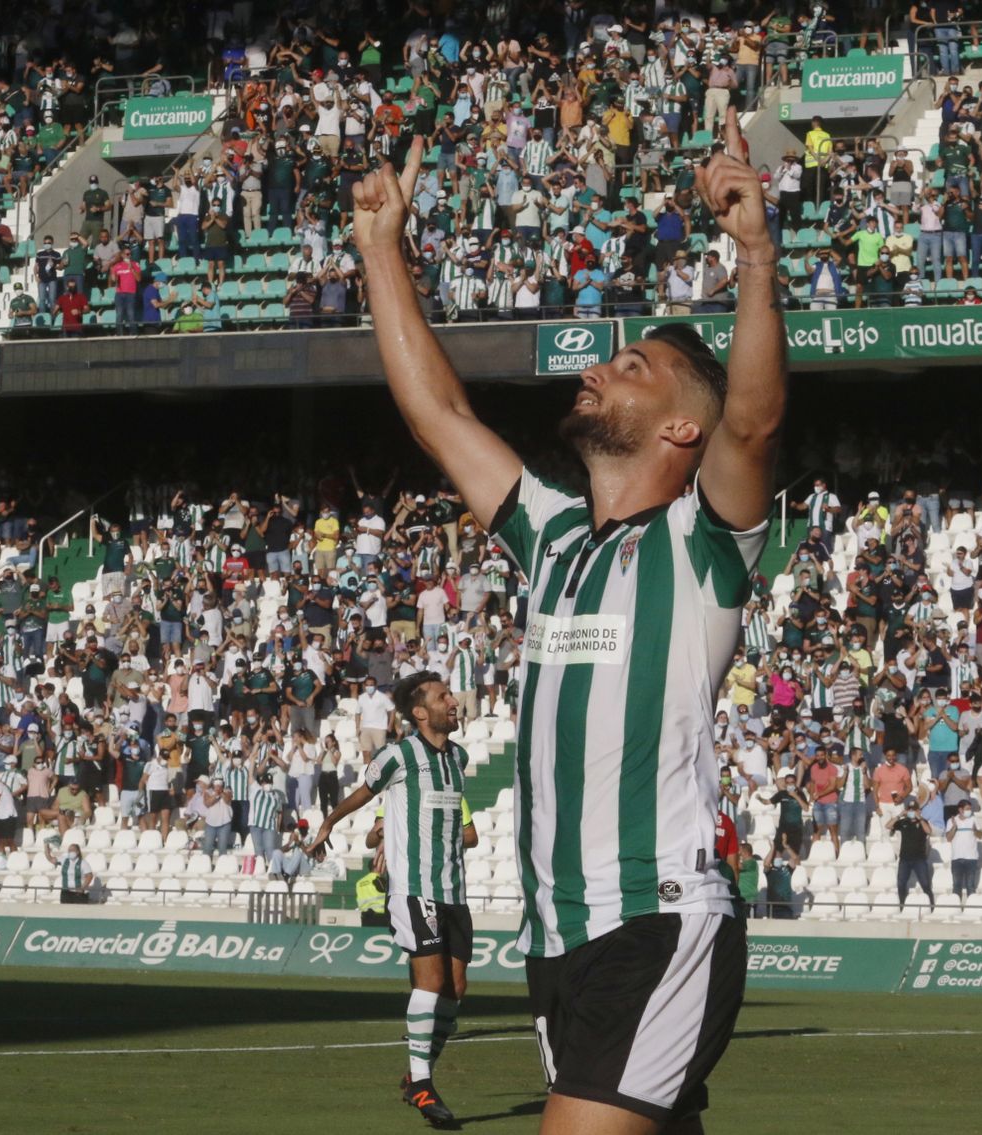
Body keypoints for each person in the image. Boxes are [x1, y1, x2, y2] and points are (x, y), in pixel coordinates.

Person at [353, 107, 785, 1134]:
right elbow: (439, 418)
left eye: (631, 368)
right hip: (557, 942)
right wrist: (380, 250)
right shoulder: (551, 535)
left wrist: (755, 259)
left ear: (682, 426)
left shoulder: (699, 543)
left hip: (654, 918)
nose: (597, 367)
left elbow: (755, 420)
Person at [308, 670, 475, 1126]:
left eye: (451, 694)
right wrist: (329, 823)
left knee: (456, 990)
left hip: (454, 889)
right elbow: (363, 794)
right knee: (430, 982)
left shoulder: (458, 757)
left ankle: (416, 1076)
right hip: (414, 887)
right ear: (419, 712)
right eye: (443, 697)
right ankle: (422, 1084)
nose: (453, 702)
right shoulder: (399, 756)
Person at [891, 795, 935, 911]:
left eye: (914, 810)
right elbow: (888, 826)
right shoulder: (903, 822)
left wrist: (919, 818)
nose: (912, 812)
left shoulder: (923, 822)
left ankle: (931, 906)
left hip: (919, 859)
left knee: (925, 884)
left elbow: (929, 831)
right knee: (901, 883)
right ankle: (902, 906)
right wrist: (900, 815)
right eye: (910, 810)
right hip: (905, 858)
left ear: (918, 811)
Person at [945, 798, 982, 902]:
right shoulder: (951, 821)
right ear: (960, 809)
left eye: (970, 809)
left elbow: (980, 835)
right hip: (956, 858)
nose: (969, 811)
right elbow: (948, 838)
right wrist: (954, 827)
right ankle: (956, 906)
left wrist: (975, 830)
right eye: (967, 809)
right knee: (956, 886)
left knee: (970, 886)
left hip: (971, 858)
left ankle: (971, 907)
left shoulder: (974, 819)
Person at [44, 838, 95, 903]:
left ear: (77, 852)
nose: (70, 852)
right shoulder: (64, 860)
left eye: (72, 850)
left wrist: (82, 887)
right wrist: (46, 846)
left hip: (78, 894)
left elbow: (89, 876)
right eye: (69, 850)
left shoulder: (83, 863)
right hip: (65, 892)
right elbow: (50, 859)